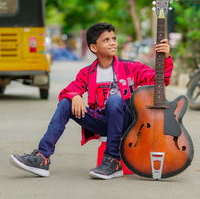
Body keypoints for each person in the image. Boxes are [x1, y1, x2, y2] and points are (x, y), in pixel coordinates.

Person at [10, 22, 173, 180]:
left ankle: (113, 161)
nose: (113, 43)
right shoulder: (87, 73)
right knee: (66, 103)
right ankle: (42, 157)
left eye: (114, 39)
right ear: (94, 48)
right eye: (106, 40)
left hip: (129, 123)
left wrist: (165, 57)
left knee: (114, 101)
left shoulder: (131, 67)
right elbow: (67, 91)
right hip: (103, 122)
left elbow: (161, 80)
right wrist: (75, 96)